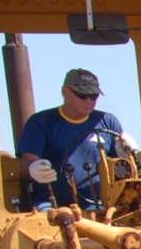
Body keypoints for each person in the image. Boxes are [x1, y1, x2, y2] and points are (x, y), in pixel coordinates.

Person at [18, 68, 129, 211]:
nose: (88, 101)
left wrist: (127, 155)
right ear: (64, 91)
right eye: (82, 96)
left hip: (103, 206)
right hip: (53, 206)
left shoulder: (107, 121)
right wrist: (33, 169)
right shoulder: (41, 122)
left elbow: (123, 168)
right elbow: (27, 162)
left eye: (93, 96)